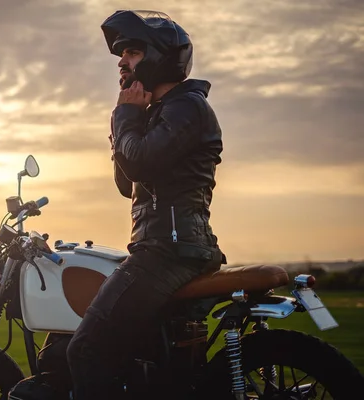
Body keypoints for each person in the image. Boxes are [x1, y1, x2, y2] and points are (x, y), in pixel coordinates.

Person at [66, 10, 227, 400]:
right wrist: (127, 120)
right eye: (122, 54)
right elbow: (127, 182)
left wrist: (125, 115)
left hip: (169, 251)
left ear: (160, 57)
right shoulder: (162, 112)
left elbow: (136, 162)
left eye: (133, 52)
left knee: (87, 349)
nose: (121, 61)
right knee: (144, 359)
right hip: (167, 248)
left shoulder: (186, 107)